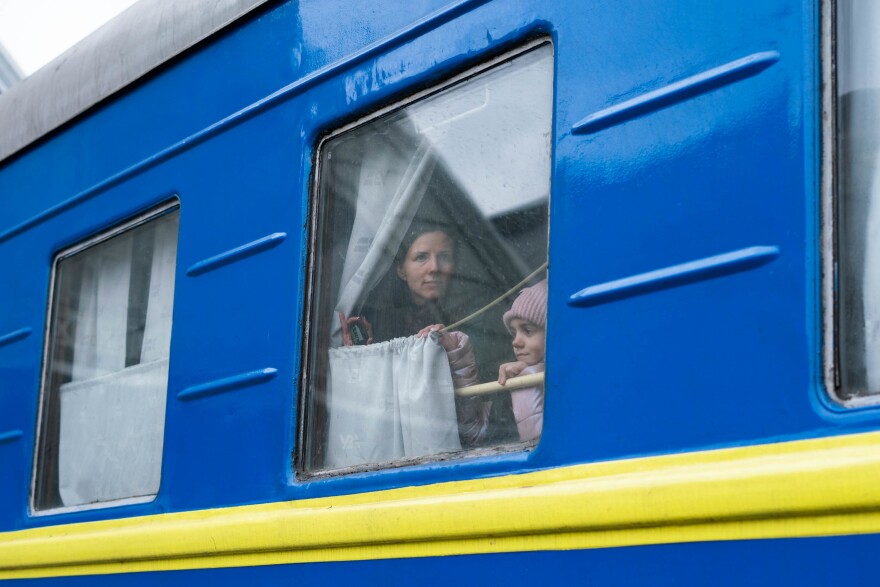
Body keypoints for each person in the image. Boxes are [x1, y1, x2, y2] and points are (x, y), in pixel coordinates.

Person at [340, 222, 489, 444]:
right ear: (401, 270)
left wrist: (455, 351)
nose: (434, 267)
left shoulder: (473, 325)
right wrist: (359, 359)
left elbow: (475, 431)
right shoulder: (379, 325)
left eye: (444, 257)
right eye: (421, 257)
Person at [497, 279, 547, 442]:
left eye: (528, 330)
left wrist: (529, 378)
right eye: (514, 333)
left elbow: (535, 442)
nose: (515, 342)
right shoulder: (512, 374)